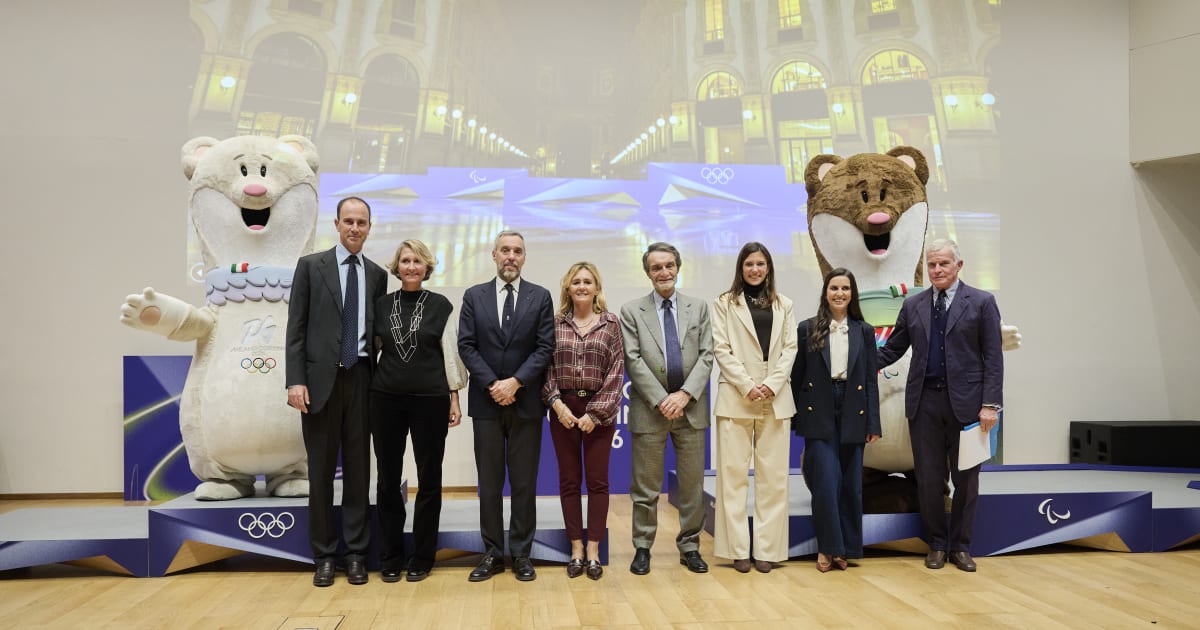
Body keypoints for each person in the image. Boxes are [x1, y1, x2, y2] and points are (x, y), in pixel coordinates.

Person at [877, 238, 1003, 573]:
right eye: (932, 264)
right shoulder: (913, 305)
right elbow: (892, 350)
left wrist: (990, 405)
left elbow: (993, 358)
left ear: (958, 266)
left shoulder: (982, 302)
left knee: (966, 481)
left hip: (970, 408)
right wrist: (855, 362)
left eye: (943, 264)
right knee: (929, 480)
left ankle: (961, 547)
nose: (936, 270)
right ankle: (936, 544)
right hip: (925, 405)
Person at [285, 196, 386, 587]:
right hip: (319, 385)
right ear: (337, 224)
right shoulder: (311, 267)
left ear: (369, 227)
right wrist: (295, 380)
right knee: (321, 474)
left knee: (359, 473)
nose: (355, 228)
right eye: (349, 221)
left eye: (362, 222)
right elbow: (296, 328)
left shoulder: (377, 274)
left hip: (362, 380)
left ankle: (356, 554)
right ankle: (324, 556)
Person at [458, 230, 555, 582]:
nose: (511, 256)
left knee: (524, 482)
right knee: (489, 482)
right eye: (505, 250)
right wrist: (493, 384)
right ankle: (492, 554)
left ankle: (521, 553)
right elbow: (466, 345)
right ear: (494, 255)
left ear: (524, 257)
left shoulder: (540, 296)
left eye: (517, 251)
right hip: (486, 403)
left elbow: (545, 347)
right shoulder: (474, 296)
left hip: (526, 402)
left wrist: (515, 382)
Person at [369, 239, 467, 583]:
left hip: (431, 400)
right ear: (397, 267)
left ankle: (423, 557)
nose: (411, 267)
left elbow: (450, 354)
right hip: (386, 400)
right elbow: (373, 351)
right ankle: (390, 556)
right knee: (387, 479)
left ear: (427, 267)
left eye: (417, 261)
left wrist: (455, 397)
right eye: (406, 261)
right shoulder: (381, 305)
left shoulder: (441, 305)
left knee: (429, 479)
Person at [620, 241, 714, 575]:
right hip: (651, 411)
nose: (664, 272)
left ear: (678, 267)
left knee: (691, 486)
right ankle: (643, 547)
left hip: (691, 409)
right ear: (648, 272)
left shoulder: (698, 308)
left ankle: (690, 547)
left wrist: (684, 395)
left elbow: (707, 355)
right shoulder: (631, 311)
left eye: (669, 265)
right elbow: (632, 359)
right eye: (656, 267)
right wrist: (662, 399)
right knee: (645, 488)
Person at [711, 242, 798, 574]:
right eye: (749, 264)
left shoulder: (785, 304)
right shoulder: (723, 303)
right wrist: (747, 385)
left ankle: (767, 550)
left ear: (769, 267)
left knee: (773, 480)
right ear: (741, 268)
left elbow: (790, 349)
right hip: (737, 397)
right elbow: (721, 348)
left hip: (775, 399)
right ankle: (737, 550)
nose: (755, 269)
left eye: (760, 264)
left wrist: (771, 384)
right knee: (732, 479)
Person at [791, 267, 881, 572]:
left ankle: (847, 549)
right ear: (825, 293)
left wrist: (873, 423)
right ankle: (828, 548)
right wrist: (796, 418)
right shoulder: (807, 328)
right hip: (819, 409)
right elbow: (797, 377)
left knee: (851, 486)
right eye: (834, 288)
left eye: (845, 288)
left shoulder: (864, 331)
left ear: (852, 294)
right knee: (826, 483)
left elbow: (870, 380)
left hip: (854, 409)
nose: (839, 293)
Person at [542, 262, 624, 580]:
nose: (582, 286)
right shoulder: (554, 324)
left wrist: (595, 413)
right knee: (569, 481)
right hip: (563, 409)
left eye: (588, 281)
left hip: (598, 412)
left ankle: (593, 550)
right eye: (576, 281)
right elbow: (546, 368)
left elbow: (616, 371)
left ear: (597, 288)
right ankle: (575, 548)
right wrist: (557, 404)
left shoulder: (611, 324)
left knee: (598, 481)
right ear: (568, 287)